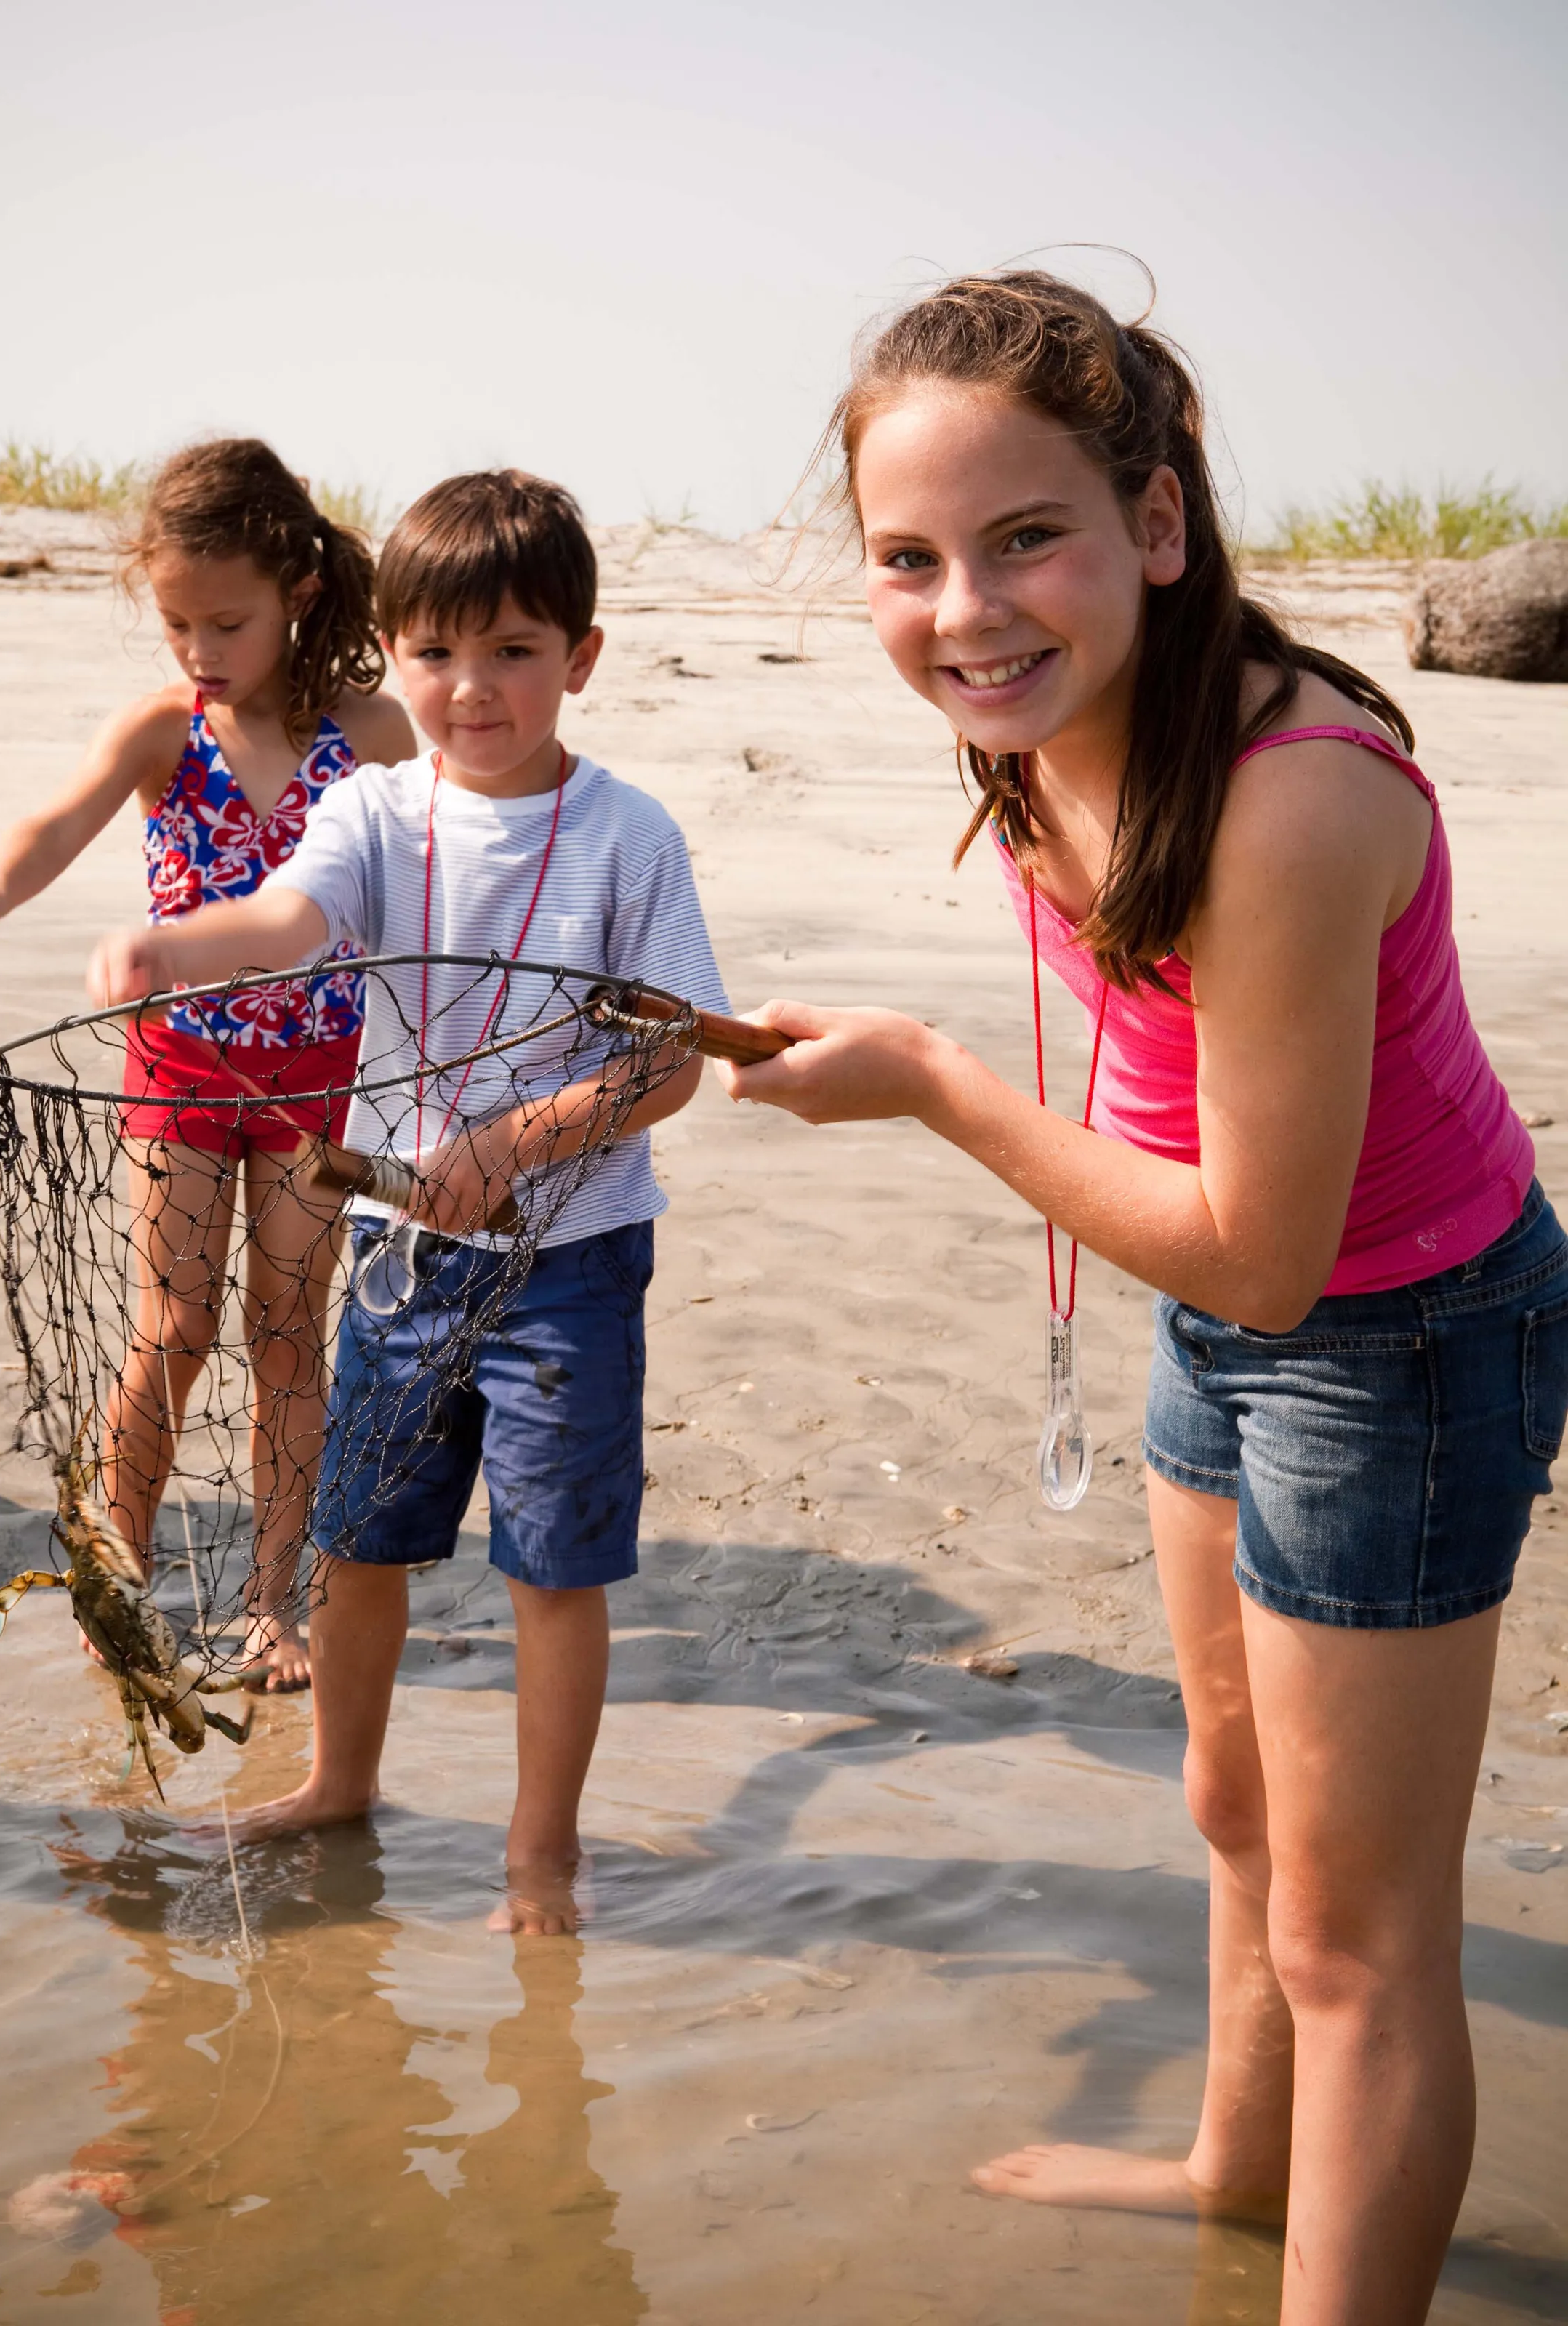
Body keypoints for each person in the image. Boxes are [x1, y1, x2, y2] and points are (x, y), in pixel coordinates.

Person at [717, 272, 1568, 2326]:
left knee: (1363, 1945)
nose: (965, 610)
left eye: (1028, 540)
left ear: (1157, 529)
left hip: (1402, 1340)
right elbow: (1192, 1177)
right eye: (907, 561)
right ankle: (1229, 2173)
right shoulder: (1034, 727)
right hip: (1207, 1311)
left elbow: (1271, 1252)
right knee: (1227, 1799)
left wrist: (927, 1082)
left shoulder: (1294, 797)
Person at [86, 467, 725, 1933]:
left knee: (552, 1568)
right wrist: (179, 947)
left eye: (513, 651)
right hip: (399, 1255)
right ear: (393, 658)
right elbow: (292, 918)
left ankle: (540, 1851)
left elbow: (677, 1058)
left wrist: (517, 1142)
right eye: (435, 654)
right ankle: (340, 1782)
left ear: (583, 658)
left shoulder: (632, 838)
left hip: (569, 1264)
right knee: (359, 1544)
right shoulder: (376, 808)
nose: (473, 688)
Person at [0, 438, 416, 1691]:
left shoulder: (373, 737)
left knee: (287, 1333)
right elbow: (53, 824)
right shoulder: (168, 731)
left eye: (227, 622)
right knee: (174, 1325)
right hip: (181, 1075)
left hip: (323, 1076)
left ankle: (274, 1605)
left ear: (299, 592)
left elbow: (455, 858)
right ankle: (120, 1570)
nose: (200, 648)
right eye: (176, 622)